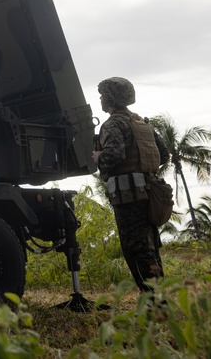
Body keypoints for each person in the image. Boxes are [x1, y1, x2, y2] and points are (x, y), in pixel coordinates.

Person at [92, 77, 169, 292]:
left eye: (102, 96)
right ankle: (158, 298)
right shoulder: (141, 123)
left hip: (129, 198)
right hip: (149, 193)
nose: (100, 99)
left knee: (136, 250)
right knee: (150, 248)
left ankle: (155, 304)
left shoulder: (114, 123)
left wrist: (99, 157)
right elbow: (164, 154)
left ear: (110, 99)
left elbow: (114, 155)